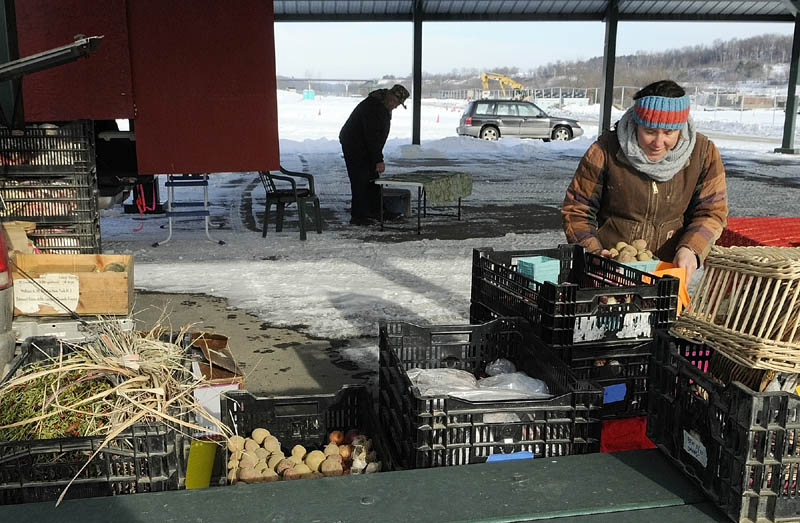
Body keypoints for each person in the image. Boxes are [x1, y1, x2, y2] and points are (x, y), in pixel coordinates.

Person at [562, 80, 728, 281]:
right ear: (636, 124)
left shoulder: (703, 153)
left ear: (681, 128)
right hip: (610, 272)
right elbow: (577, 209)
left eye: (669, 133)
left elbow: (712, 211)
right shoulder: (604, 150)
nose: (658, 143)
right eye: (649, 131)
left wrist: (691, 248)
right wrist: (595, 254)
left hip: (666, 275)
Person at [339, 84, 410, 225]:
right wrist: (378, 159)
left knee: (372, 178)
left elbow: (375, 137)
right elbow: (371, 136)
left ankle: (377, 211)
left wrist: (375, 158)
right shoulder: (373, 107)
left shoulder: (381, 105)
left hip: (363, 145)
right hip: (355, 145)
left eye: (397, 104)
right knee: (360, 180)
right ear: (389, 95)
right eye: (394, 102)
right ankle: (359, 216)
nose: (394, 106)